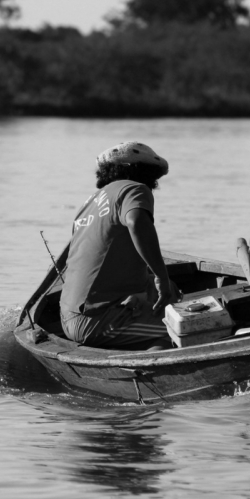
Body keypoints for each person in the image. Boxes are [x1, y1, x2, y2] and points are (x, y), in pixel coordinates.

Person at [59, 141, 180, 349]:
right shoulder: (134, 188)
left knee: (169, 289)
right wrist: (161, 275)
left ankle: (137, 334)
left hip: (68, 314)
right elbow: (136, 223)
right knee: (188, 331)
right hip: (94, 322)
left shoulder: (90, 202)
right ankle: (155, 361)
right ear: (140, 171)